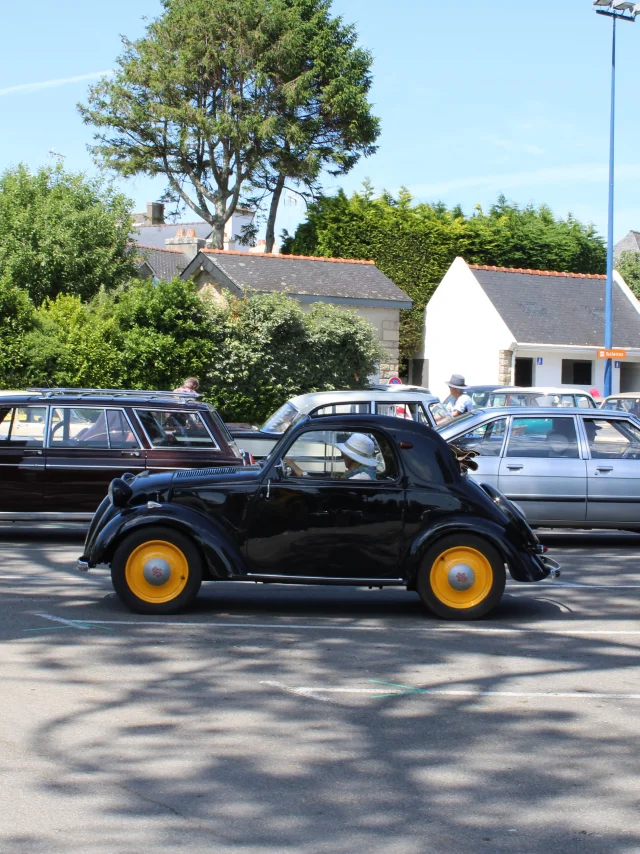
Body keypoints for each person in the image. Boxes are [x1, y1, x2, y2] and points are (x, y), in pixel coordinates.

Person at [285, 432, 378, 480]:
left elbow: (322, 488)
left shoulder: (360, 477)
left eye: (344, 454)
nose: (343, 456)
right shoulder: (357, 473)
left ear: (352, 458)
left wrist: (293, 465)